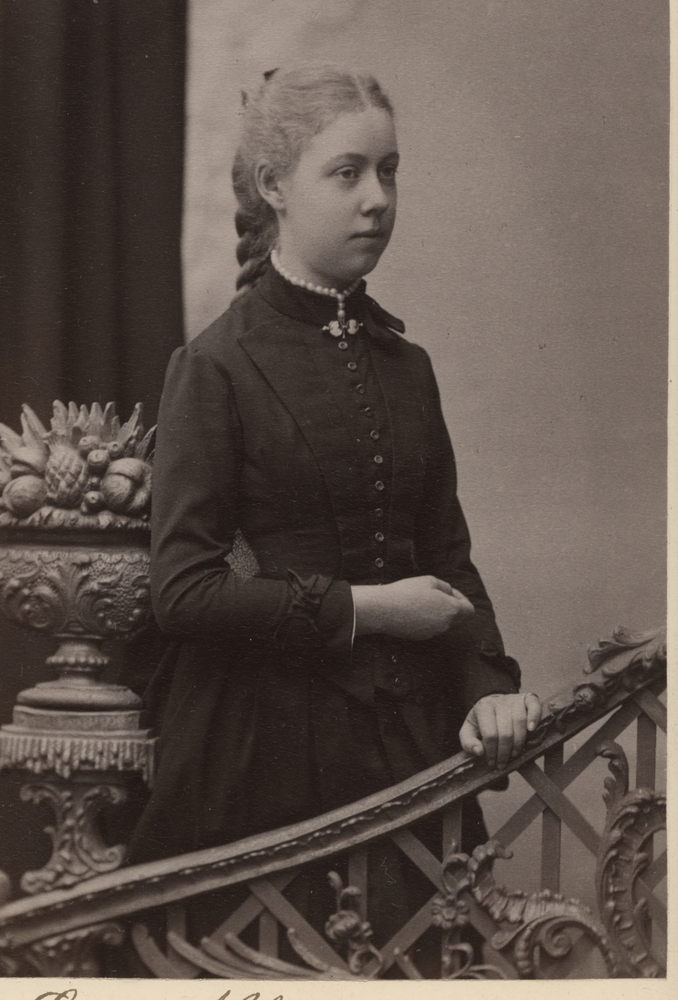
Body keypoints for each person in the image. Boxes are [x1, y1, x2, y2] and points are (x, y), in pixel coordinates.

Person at [127, 65, 541, 909]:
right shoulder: (216, 365)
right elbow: (185, 592)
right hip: (264, 754)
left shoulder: (406, 365)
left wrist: (488, 690)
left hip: (409, 744)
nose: (376, 199)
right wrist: (370, 609)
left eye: (388, 171)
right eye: (346, 173)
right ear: (274, 186)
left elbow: (448, 561)